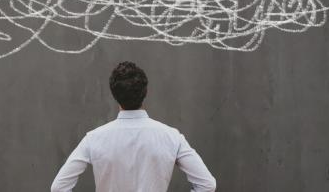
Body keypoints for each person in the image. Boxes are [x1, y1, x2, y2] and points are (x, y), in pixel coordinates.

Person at [50, 61, 217, 192]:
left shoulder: (94, 138)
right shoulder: (171, 136)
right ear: (146, 92)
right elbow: (207, 184)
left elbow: (59, 187)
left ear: (114, 94)